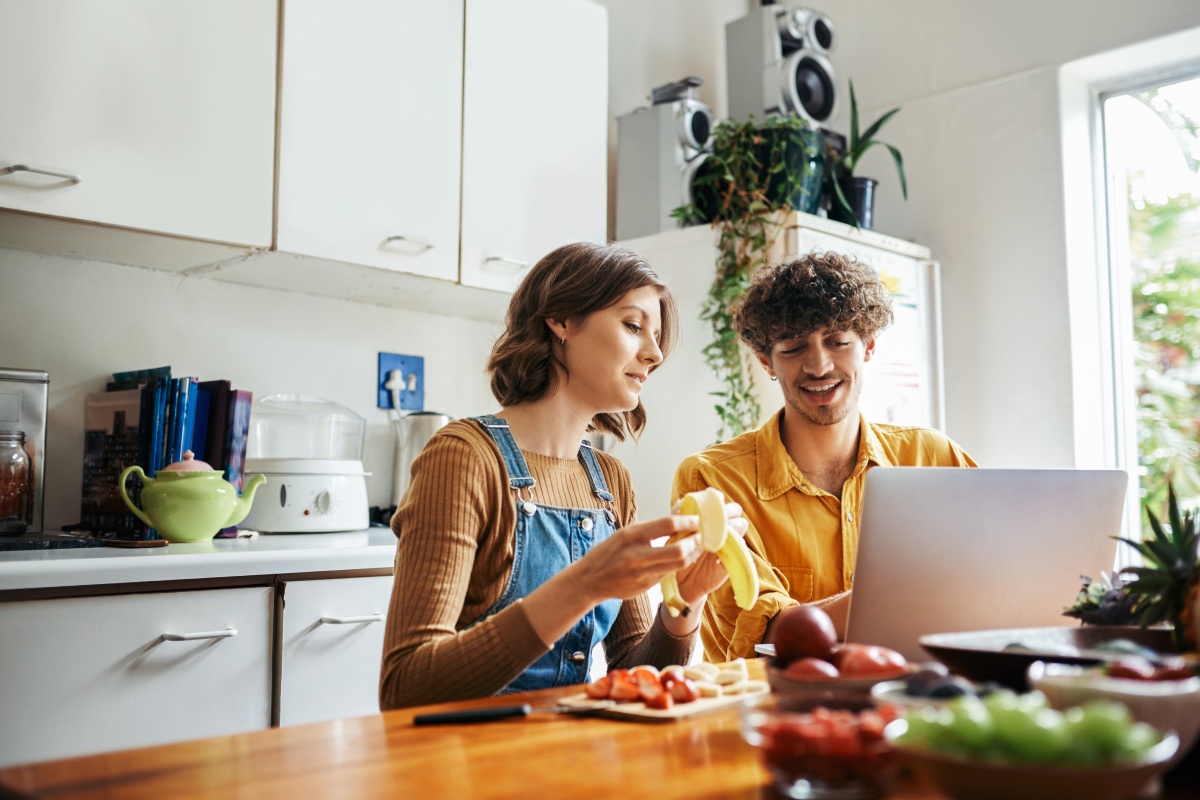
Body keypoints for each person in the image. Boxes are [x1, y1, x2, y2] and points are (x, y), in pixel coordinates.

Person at [380, 242, 747, 710]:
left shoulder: (610, 481)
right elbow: (405, 687)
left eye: (656, 337)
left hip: (569, 748)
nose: (655, 354)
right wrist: (584, 584)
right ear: (561, 320)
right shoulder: (464, 457)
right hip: (468, 752)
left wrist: (685, 602)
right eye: (633, 326)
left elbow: (635, 675)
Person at [672, 251, 976, 662]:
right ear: (766, 362)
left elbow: (995, 576)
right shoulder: (713, 480)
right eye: (794, 348)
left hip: (919, 691)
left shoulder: (933, 456)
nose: (818, 366)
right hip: (776, 700)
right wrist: (909, 592)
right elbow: (762, 634)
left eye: (838, 341)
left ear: (868, 346)